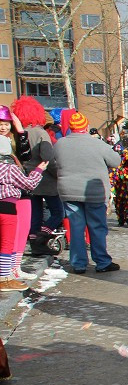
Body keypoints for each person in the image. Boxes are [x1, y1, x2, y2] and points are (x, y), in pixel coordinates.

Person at [52, 111, 121, 274]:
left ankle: (78, 263)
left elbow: (52, 164)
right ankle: (102, 262)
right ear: (86, 127)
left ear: (70, 128)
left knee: (76, 227)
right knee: (97, 227)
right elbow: (116, 161)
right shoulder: (97, 144)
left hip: (69, 191)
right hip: (94, 192)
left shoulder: (60, 144)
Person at [11, 97, 59, 258]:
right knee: (58, 212)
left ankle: (34, 243)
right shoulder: (41, 133)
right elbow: (47, 157)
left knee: (35, 215)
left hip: (28, 180)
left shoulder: (20, 135)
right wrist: (57, 174)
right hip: (46, 180)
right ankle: (42, 237)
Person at [0, 136, 47, 291]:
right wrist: (39, 170)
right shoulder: (9, 168)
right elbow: (29, 184)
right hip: (7, 209)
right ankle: (5, 279)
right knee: (6, 244)